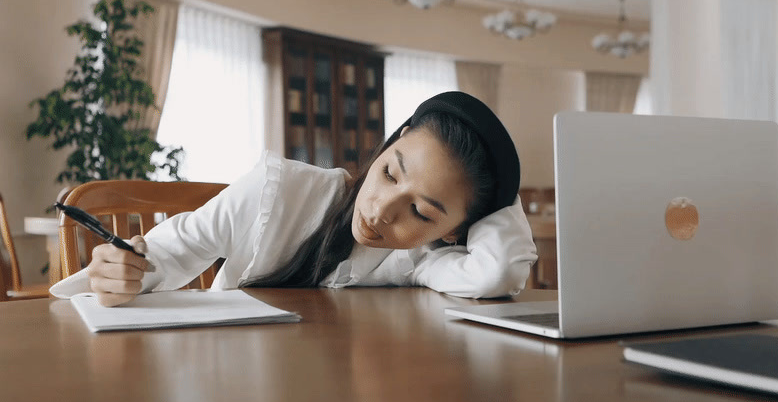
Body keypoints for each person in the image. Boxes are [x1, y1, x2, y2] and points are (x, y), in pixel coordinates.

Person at [50, 91, 538, 307]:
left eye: (421, 211)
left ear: (453, 230)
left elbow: (498, 271)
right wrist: (117, 274)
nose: (381, 210)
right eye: (390, 171)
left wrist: (499, 190)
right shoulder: (278, 191)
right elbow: (167, 253)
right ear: (392, 141)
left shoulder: (426, 259)